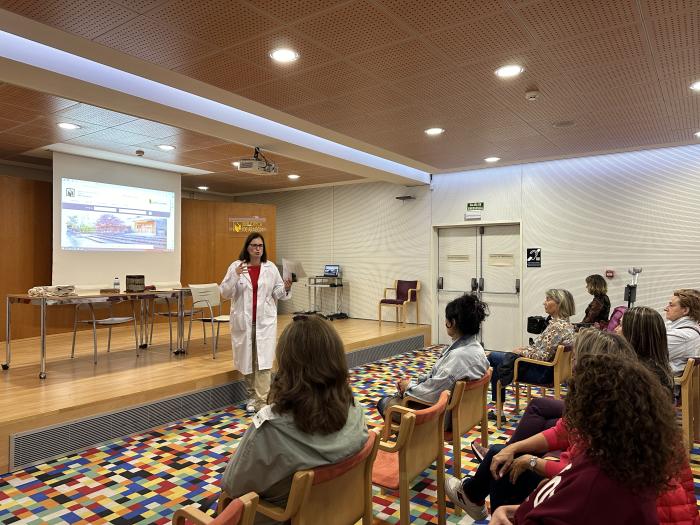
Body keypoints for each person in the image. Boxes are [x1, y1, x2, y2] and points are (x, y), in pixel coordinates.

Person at [446, 330, 634, 520]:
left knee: (502, 461)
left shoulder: (604, 419)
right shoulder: (607, 403)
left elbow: (578, 475)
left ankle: (477, 499)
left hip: (577, 490)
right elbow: (563, 432)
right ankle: (476, 494)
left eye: (576, 358)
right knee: (505, 451)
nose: (572, 363)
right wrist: (514, 448)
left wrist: (532, 461)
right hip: (574, 480)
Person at [489, 353, 683, 525]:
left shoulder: (595, 484)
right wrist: (513, 509)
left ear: (590, 413)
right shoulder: (617, 460)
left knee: (501, 465)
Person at [220, 315, 368, 524]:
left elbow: (232, 487)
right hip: (339, 510)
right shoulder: (356, 410)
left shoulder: (271, 430)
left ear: (285, 366)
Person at [376, 293, 489, 429]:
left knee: (384, 403)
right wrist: (416, 382)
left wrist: (408, 387)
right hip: (467, 414)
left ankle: (415, 445)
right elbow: (438, 382)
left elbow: (433, 392)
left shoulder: (458, 358)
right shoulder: (477, 349)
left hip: (444, 418)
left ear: (451, 323)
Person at [220, 233, 292, 415]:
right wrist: (234, 277)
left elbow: (278, 293)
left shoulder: (270, 267)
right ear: (247, 247)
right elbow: (225, 293)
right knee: (248, 360)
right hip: (243, 322)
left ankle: (263, 401)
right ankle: (252, 396)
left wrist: (286, 287)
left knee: (263, 362)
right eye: (254, 245)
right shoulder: (236, 267)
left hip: (264, 322)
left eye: (260, 245)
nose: (257, 248)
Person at [488, 289, 575, 405]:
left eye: (548, 299)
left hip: (541, 373)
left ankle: (495, 405)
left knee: (493, 357)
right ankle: (497, 405)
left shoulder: (557, 327)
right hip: (551, 371)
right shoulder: (567, 325)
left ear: (560, 304)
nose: (544, 303)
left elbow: (542, 356)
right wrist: (524, 350)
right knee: (500, 360)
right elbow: (543, 349)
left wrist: (522, 352)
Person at [620, 306, 674, 395]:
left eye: (621, 325)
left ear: (635, 333)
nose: (615, 329)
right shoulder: (658, 367)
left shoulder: (638, 374)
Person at [664, 289, 700, 375]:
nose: (665, 308)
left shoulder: (683, 335)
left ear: (685, 311)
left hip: (665, 386)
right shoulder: (676, 326)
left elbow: (647, 354)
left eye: (671, 305)